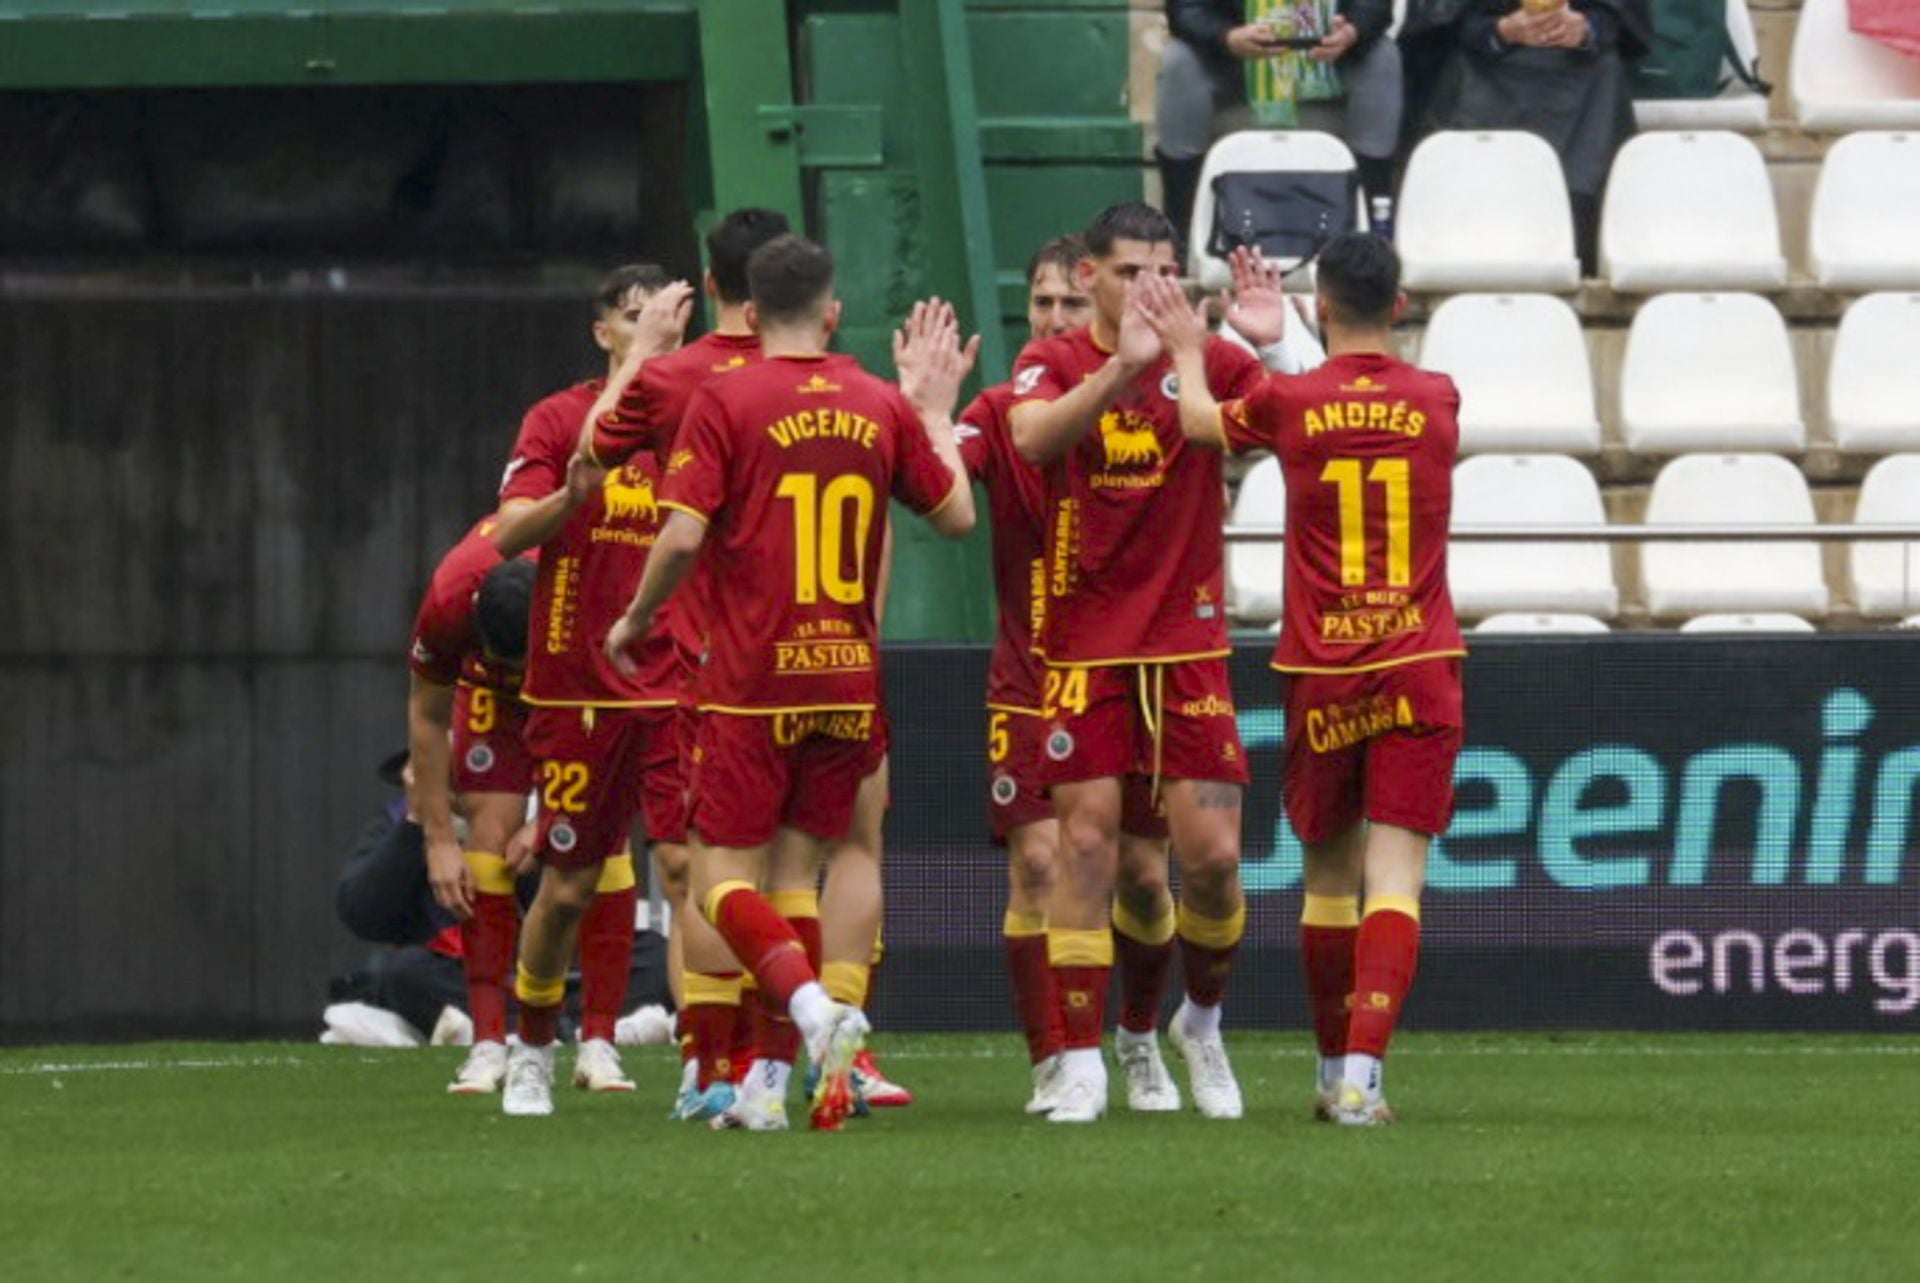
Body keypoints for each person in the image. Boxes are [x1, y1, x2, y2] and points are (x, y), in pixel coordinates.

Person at [603, 234, 977, 1131]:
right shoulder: (878, 402)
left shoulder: (727, 400)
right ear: (835, 312)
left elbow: (685, 535)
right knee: (799, 878)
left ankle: (809, 1017)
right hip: (846, 680)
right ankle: (768, 1089)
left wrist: (637, 616)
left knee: (721, 879)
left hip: (750, 680)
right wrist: (932, 415)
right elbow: (959, 516)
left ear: (751, 313)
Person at [1140, 231, 1466, 1126]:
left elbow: (1201, 423)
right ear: (1399, 305)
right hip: (1419, 660)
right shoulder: (1439, 399)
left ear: (1320, 305)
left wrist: (1186, 348)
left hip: (1322, 667)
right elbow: (1360, 397)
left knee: (1328, 882)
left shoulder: (1290, 399)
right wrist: (1288, 339)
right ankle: (1364, 1075)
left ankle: (1331, 1073)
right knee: (1395, 881)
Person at [1007, 203, 1291, 1124]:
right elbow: (1033, 440)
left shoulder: (1198, 348)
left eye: (1165, 269)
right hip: (1085, 647)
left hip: (1188, 644)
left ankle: (1196, 1023)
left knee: (1207, 861)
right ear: (1091, 276)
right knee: (1088, 848)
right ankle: (1087, 1060)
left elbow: (1303, 420)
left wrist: (1271, 347)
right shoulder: (1053, 359)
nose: (1150, 289)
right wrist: (1125, 365)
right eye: (1132, 271)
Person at [486, 264, 700, 1115]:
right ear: (603, 332)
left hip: (680, 683)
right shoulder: (559, 418)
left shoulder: (700, 411)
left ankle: (703, 1057)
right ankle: (534, 1044)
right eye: (636, 319)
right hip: (580, 687)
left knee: (688, 872)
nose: (657, 333)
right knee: (570, 885)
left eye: (670, 318)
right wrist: (572, 496)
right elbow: (508, 532)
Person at [586, 208, 785, 1121]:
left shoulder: (676, 376)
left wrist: (644, 352)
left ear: (707, 287)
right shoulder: (835, 382)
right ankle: (794, 1050)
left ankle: (722, 1060)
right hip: (820, 650)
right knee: (805, 861)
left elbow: (595, 449)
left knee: (700, 864)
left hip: (700, 661)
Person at [953, 235, 1092, 1114]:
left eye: (1068, 305)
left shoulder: (1135, 409)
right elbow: (935, 479)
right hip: (1025, 677)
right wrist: (929, 412)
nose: (1050, 320)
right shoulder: (999, 410)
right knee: (1038, 863)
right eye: (1039, 304)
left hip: (1121, 674)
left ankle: (1149, 1033)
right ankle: (1054, 1058)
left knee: (1148, 877)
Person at [405, 533, 541, 1092]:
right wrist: (439, 840)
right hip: (486, 694)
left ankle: (597, 1039)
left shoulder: (591, 593)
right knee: (488, 837)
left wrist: (556, 812)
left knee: (589, 860)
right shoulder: (448, 600)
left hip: (579, 685)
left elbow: (618, 716)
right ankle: (487, 1043)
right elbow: (427, 714)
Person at [1401, 0, 1652, 270]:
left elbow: (1617, 19)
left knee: (1607, 78)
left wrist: (1585, 30)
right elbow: (1438, 29)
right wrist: (1502, 31)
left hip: (1584, 75)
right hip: (1479, 67)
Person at [1159, 0, 1404, 248]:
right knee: (1179, 61)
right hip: (1234, 65)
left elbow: (1375, 5)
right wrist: (1227, 36)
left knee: (1383, 57)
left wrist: (1352, 31)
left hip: (1329, 62)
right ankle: (1181, 230)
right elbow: (1186, 8)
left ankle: (1374, 227)